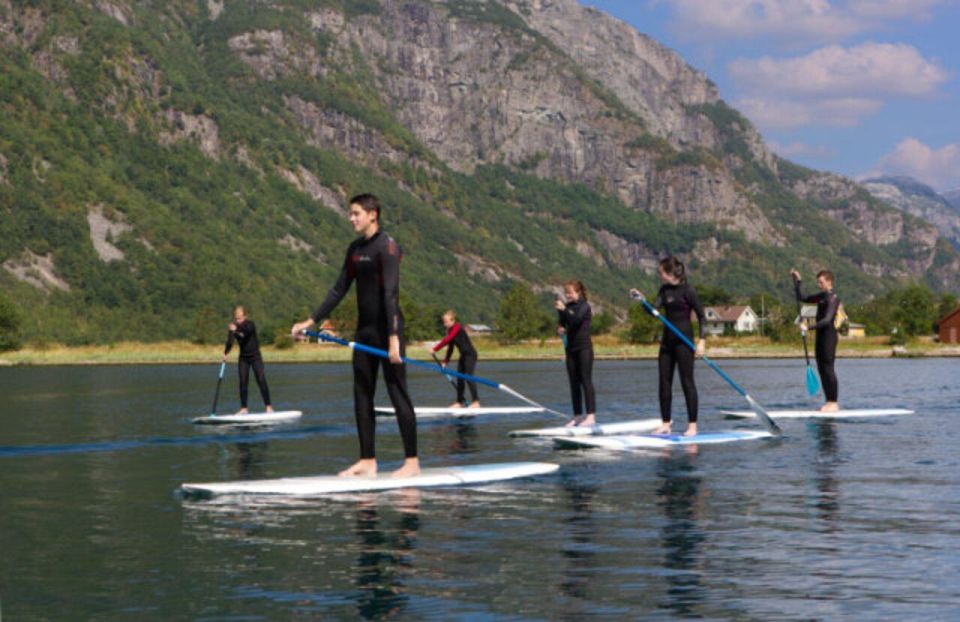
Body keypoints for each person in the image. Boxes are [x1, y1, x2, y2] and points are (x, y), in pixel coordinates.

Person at [291, 194, 419, 478]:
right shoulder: (354, 250)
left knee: (398, 393)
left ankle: (412, 462)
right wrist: (310, 321)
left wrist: (394, 337)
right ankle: (367, 460)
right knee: (362, 394)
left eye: (356, 213)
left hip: (388, 333)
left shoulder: (388, 247)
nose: (351, 218)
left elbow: (391, 294)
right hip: (364, 333)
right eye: (350, 213)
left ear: (373, 214)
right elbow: (338, 290)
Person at [630, 256, 705, 436]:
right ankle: (665, 424)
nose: (659, 275)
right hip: (667, 342)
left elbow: (702, 316)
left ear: (670, 273)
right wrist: (642, 301)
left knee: (687, 382)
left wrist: (702, 341)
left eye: (661, 272)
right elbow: (654, 311)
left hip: (684, 342)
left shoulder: (688, 290)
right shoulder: (664, 290)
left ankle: (692, 426)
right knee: (664, 383)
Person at [791, 268, 840, 412]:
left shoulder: (833, 298)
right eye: (818, 282)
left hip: (829, 336)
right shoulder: (821, 296)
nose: (819, 285)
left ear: (829, 282)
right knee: (822, 369)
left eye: (821, 282)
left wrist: (808, 327)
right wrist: (798, 281)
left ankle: (833, 403)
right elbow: (803, 298)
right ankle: (828, 402)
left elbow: (827, 320)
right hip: (821, 336)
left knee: (828, 369)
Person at [554, 280, 596, 427]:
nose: (567, 295)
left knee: (586, 380)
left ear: (578, 292)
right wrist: (559, 328)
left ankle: (591, 416)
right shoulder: (567, 307)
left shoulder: (585, 306)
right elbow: (563, 323)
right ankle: (578, 416)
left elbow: (576, 320)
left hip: (584, 349)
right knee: (573, 383)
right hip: (570, 349)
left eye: (570, 292)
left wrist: (564, 310)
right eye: (566, 292)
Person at [222, 305, 273, 414]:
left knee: (261, 379)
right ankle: (244, 408)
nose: (237, 320)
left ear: (245, 316)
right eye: (236, 318)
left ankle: (268, 407)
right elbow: (230, 341)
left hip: (255, 357)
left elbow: (246, 331)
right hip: (243, 358)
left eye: (240, 318)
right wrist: (226, 353)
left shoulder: (250, 324)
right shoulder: (234, 327)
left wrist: (236, 329)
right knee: (243, 382)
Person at [432, 310, 480, 408]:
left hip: (470, 355)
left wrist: (435, 348)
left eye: (446, 321)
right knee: (460, 378)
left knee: (468, 376)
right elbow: (450, 348)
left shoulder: (457, 327)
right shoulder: (450, 331)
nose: (444, 324)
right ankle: (460, 402)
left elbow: (448, 340)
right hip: (463, 356)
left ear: (452, 320)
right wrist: (445, 361)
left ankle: (476, 402)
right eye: (443, 322)